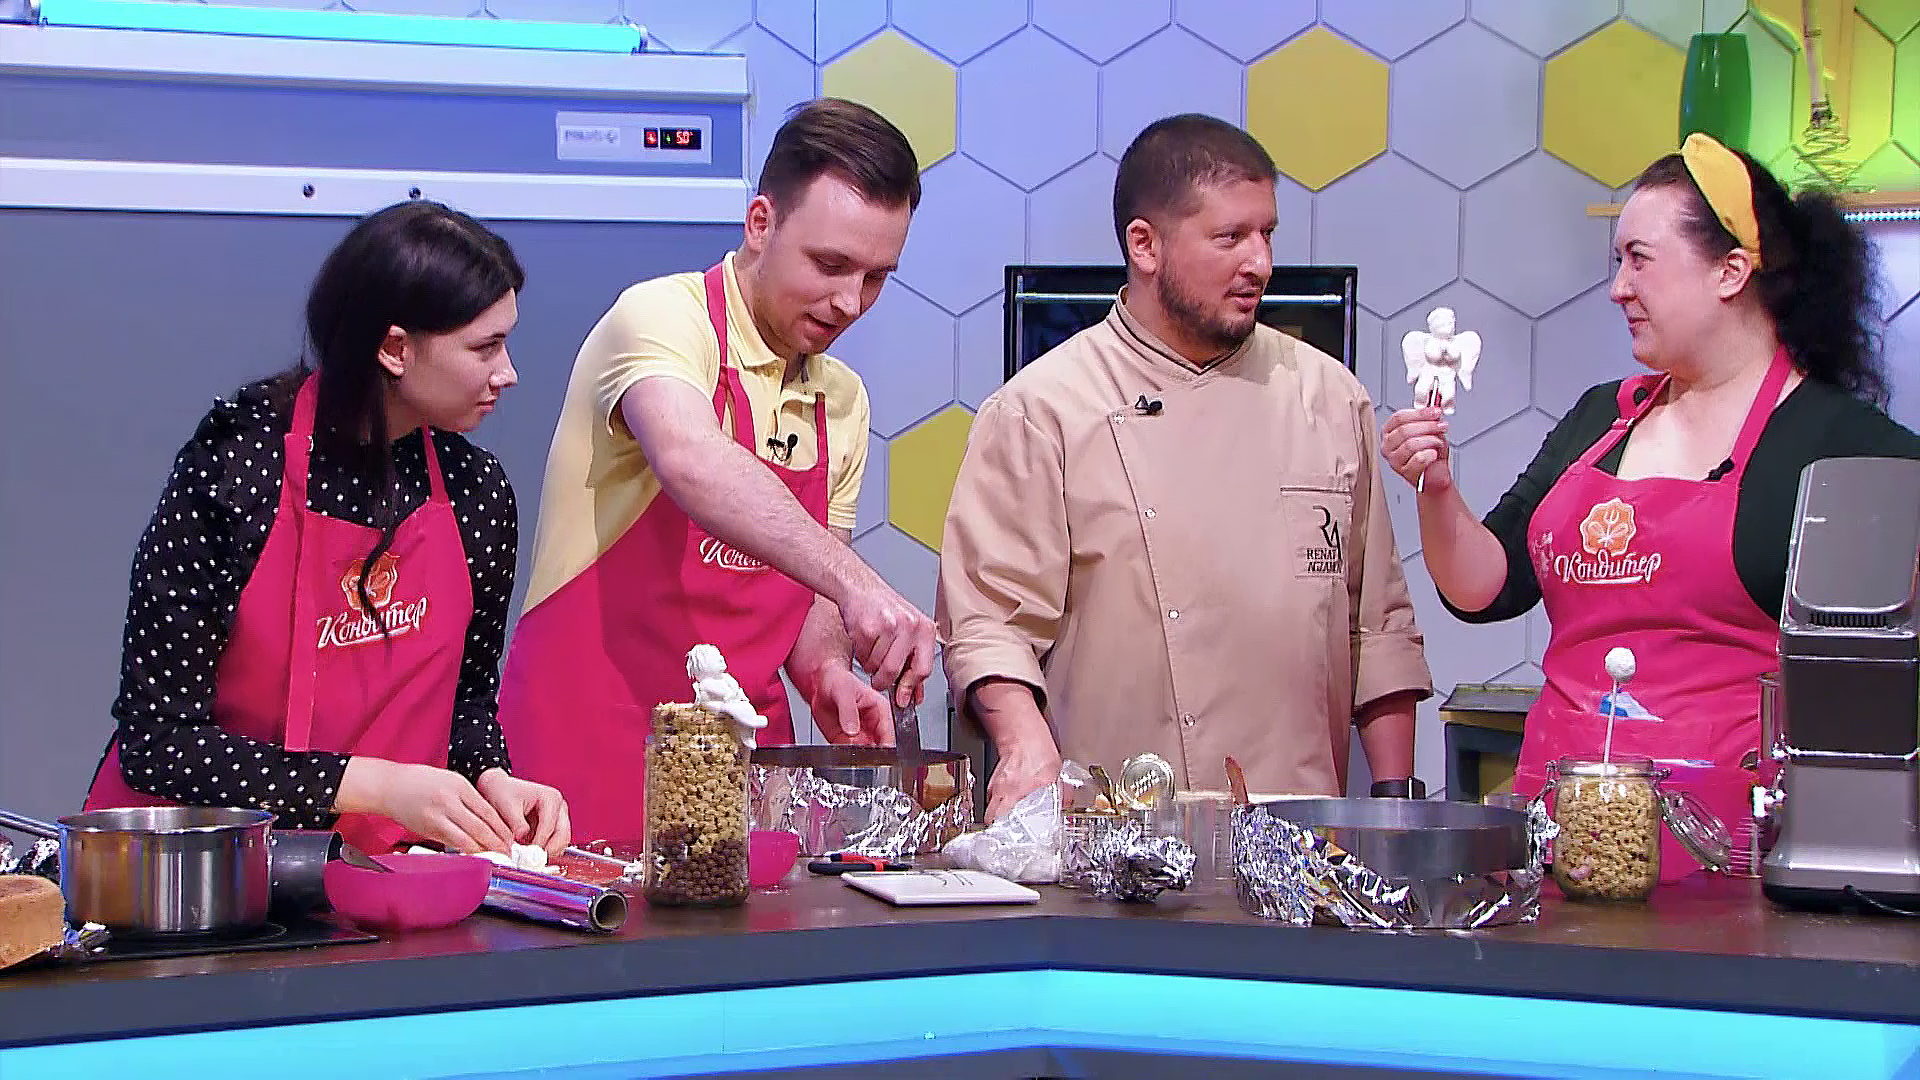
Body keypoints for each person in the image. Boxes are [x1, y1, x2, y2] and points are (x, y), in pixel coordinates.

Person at [1381, 133, 1920, 805]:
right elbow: (1485, 588)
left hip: (1729, 844)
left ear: (1730, 272)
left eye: (1639, 259)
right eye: (1619, 261)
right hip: (1562, 824)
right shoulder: (1599, 418)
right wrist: (1435, 488)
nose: (1618, 289)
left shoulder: (1840, 445)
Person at [937, 113, 1434, 822]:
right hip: (1115, 838)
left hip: (1301, 837)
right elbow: (991, 625)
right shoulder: (1043, 409)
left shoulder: (1329, 397)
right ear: (1145, 244)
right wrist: (1024, 748)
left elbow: (1378, 630)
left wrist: (1395, 809)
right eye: (1230, 238)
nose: (1259, 263)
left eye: (1267, 234)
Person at [498, 99, 938, 842]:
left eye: (876, 277)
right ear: (760, 223)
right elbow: (692, 460)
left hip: (741, 771)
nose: (849, 302)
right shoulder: (662, 319)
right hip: (589, 746)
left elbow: (808, 594)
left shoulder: (843, 400)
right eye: (830, 265)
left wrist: (828, 673)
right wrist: (860, 585)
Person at [86, 200, 571, 858]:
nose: (508, 373)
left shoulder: (476, 494)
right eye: (485, 347)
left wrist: (492, 778)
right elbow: (159, 744)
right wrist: (377, 786)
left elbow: (466, 705)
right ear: (395, 349)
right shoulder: (239, 467)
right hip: (190, 875)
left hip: (369, 878)